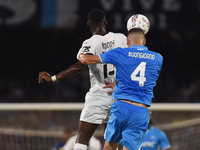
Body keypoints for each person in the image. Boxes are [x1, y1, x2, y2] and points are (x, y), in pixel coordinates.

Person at [38, 9, 127, 150]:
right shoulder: (121, 38)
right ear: (105, 22)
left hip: (99, 95)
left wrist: (53, 77)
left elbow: (80, 66)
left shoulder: (90, 43)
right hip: (119, 95)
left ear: (88, 24)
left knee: (81, 140)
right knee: (111, 143)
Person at [78, 28, 163, 150]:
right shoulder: (158, 58)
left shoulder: (120, 53)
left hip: (121, 108)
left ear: (127, 41)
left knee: (109, 148)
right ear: (144, 42)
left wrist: (80, 54)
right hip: (140, 111)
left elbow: (86, 59)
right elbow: (145, 81)